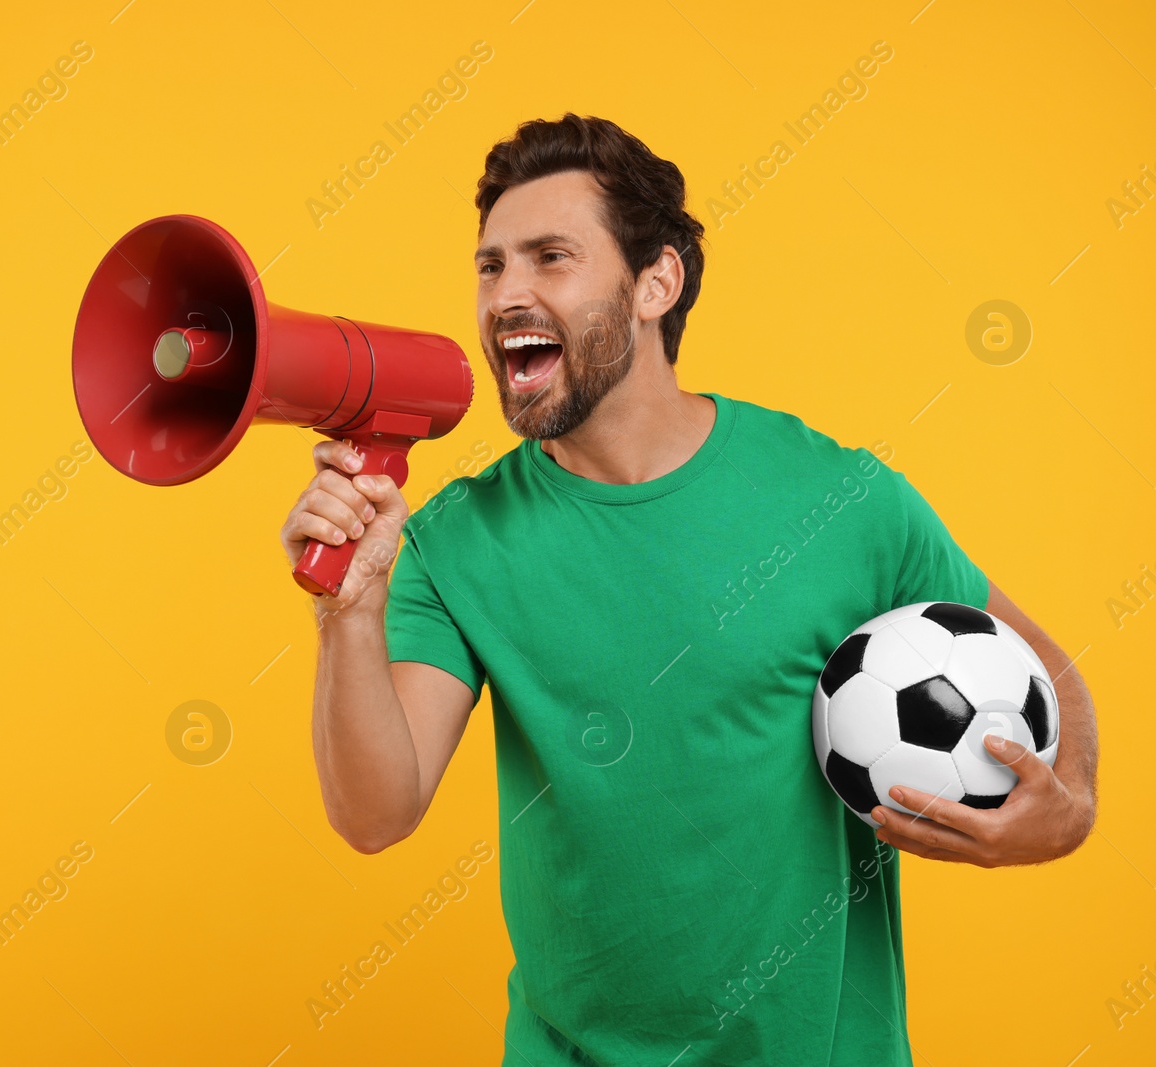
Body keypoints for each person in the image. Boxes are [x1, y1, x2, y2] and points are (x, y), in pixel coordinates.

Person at [278, 113, 1099, 1066]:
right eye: (491, 265)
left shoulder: (836, 498)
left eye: (551, 257)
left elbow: (1042, 662)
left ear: (655, 283)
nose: (508, 294)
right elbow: (376, 814)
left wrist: (1068, 800)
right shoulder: (456, 539)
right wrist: (349, 616)